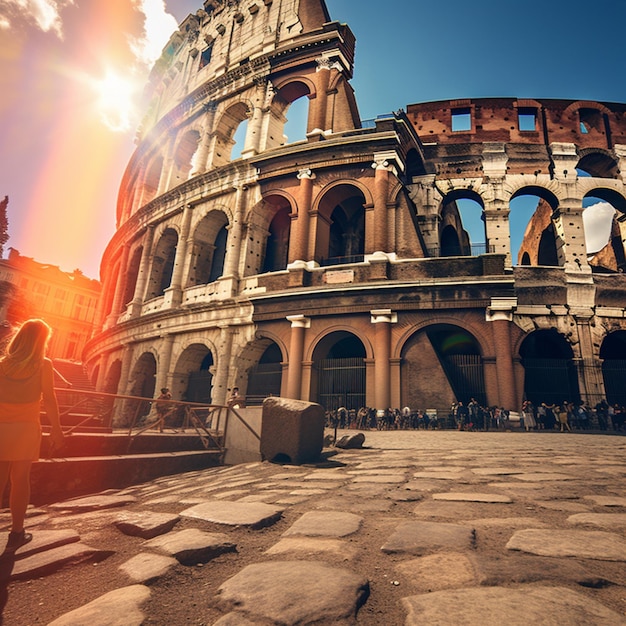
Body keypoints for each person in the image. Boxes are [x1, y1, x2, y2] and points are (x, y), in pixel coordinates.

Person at [0, 319, 64, 550]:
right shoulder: (43, 365)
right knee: (20, 481)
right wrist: (56, 429)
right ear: (41, 341)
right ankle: (17, 531)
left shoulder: (1, 364)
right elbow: (49, 400)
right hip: (25, 428)